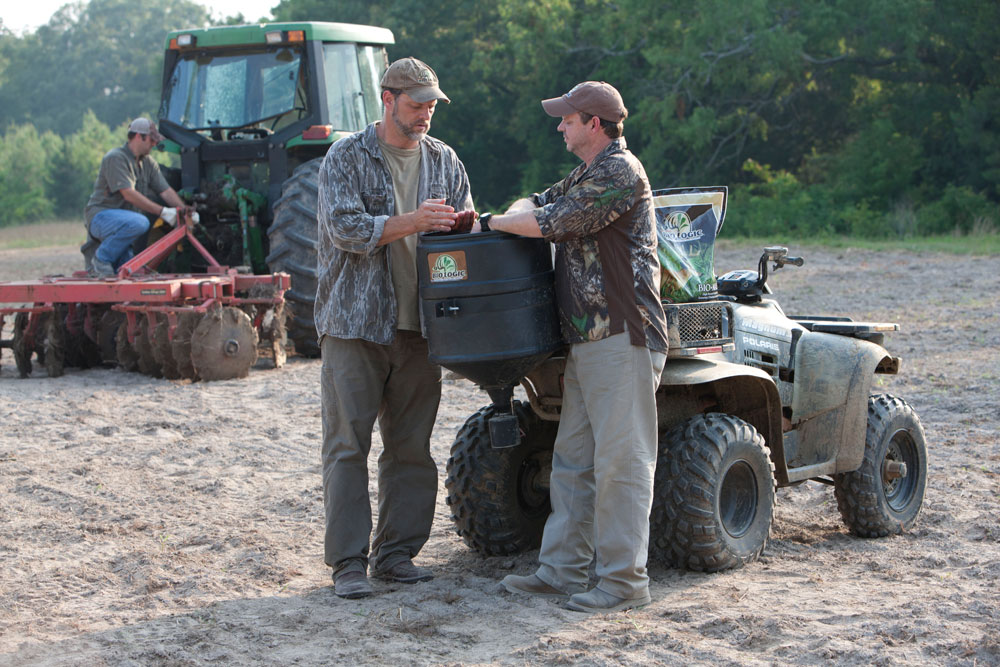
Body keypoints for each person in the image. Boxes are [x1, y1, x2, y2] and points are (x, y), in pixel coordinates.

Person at [482, 82, 668, 613]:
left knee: (622, 464)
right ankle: (562, 571)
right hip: (589, 340)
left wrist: (493, 222)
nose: (559, 126)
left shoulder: (618, 173)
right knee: (574, 461)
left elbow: (547, 222)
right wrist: (512, 214)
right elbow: (536, 203)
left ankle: (623, 583)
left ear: (593, 123)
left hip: (623, 336)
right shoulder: (585, 173)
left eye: (567, 119)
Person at [315, 57, 474, 599]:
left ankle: (397, 554)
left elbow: (463, 234)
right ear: (387, 99)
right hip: (354, 326)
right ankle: (348, 565)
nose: (426, 112)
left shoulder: (446, 160)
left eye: (432, 103)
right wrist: (413, 221)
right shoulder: (346, 156)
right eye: (416, 103)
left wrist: (462, 227)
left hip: (420, 330)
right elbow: (345, 229)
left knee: (410, 448)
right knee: (347, 447)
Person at [83, 118, 189, 275]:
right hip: (100, 217)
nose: (154, 144)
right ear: (139, 136)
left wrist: (185, 211)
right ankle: (101, 259)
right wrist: (163, 212)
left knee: (132, 272)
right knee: (140, 222)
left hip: (125, 222)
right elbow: (128, 194)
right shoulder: (116, 158)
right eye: (151, 140)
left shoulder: (148, 163)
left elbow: (166, 191)